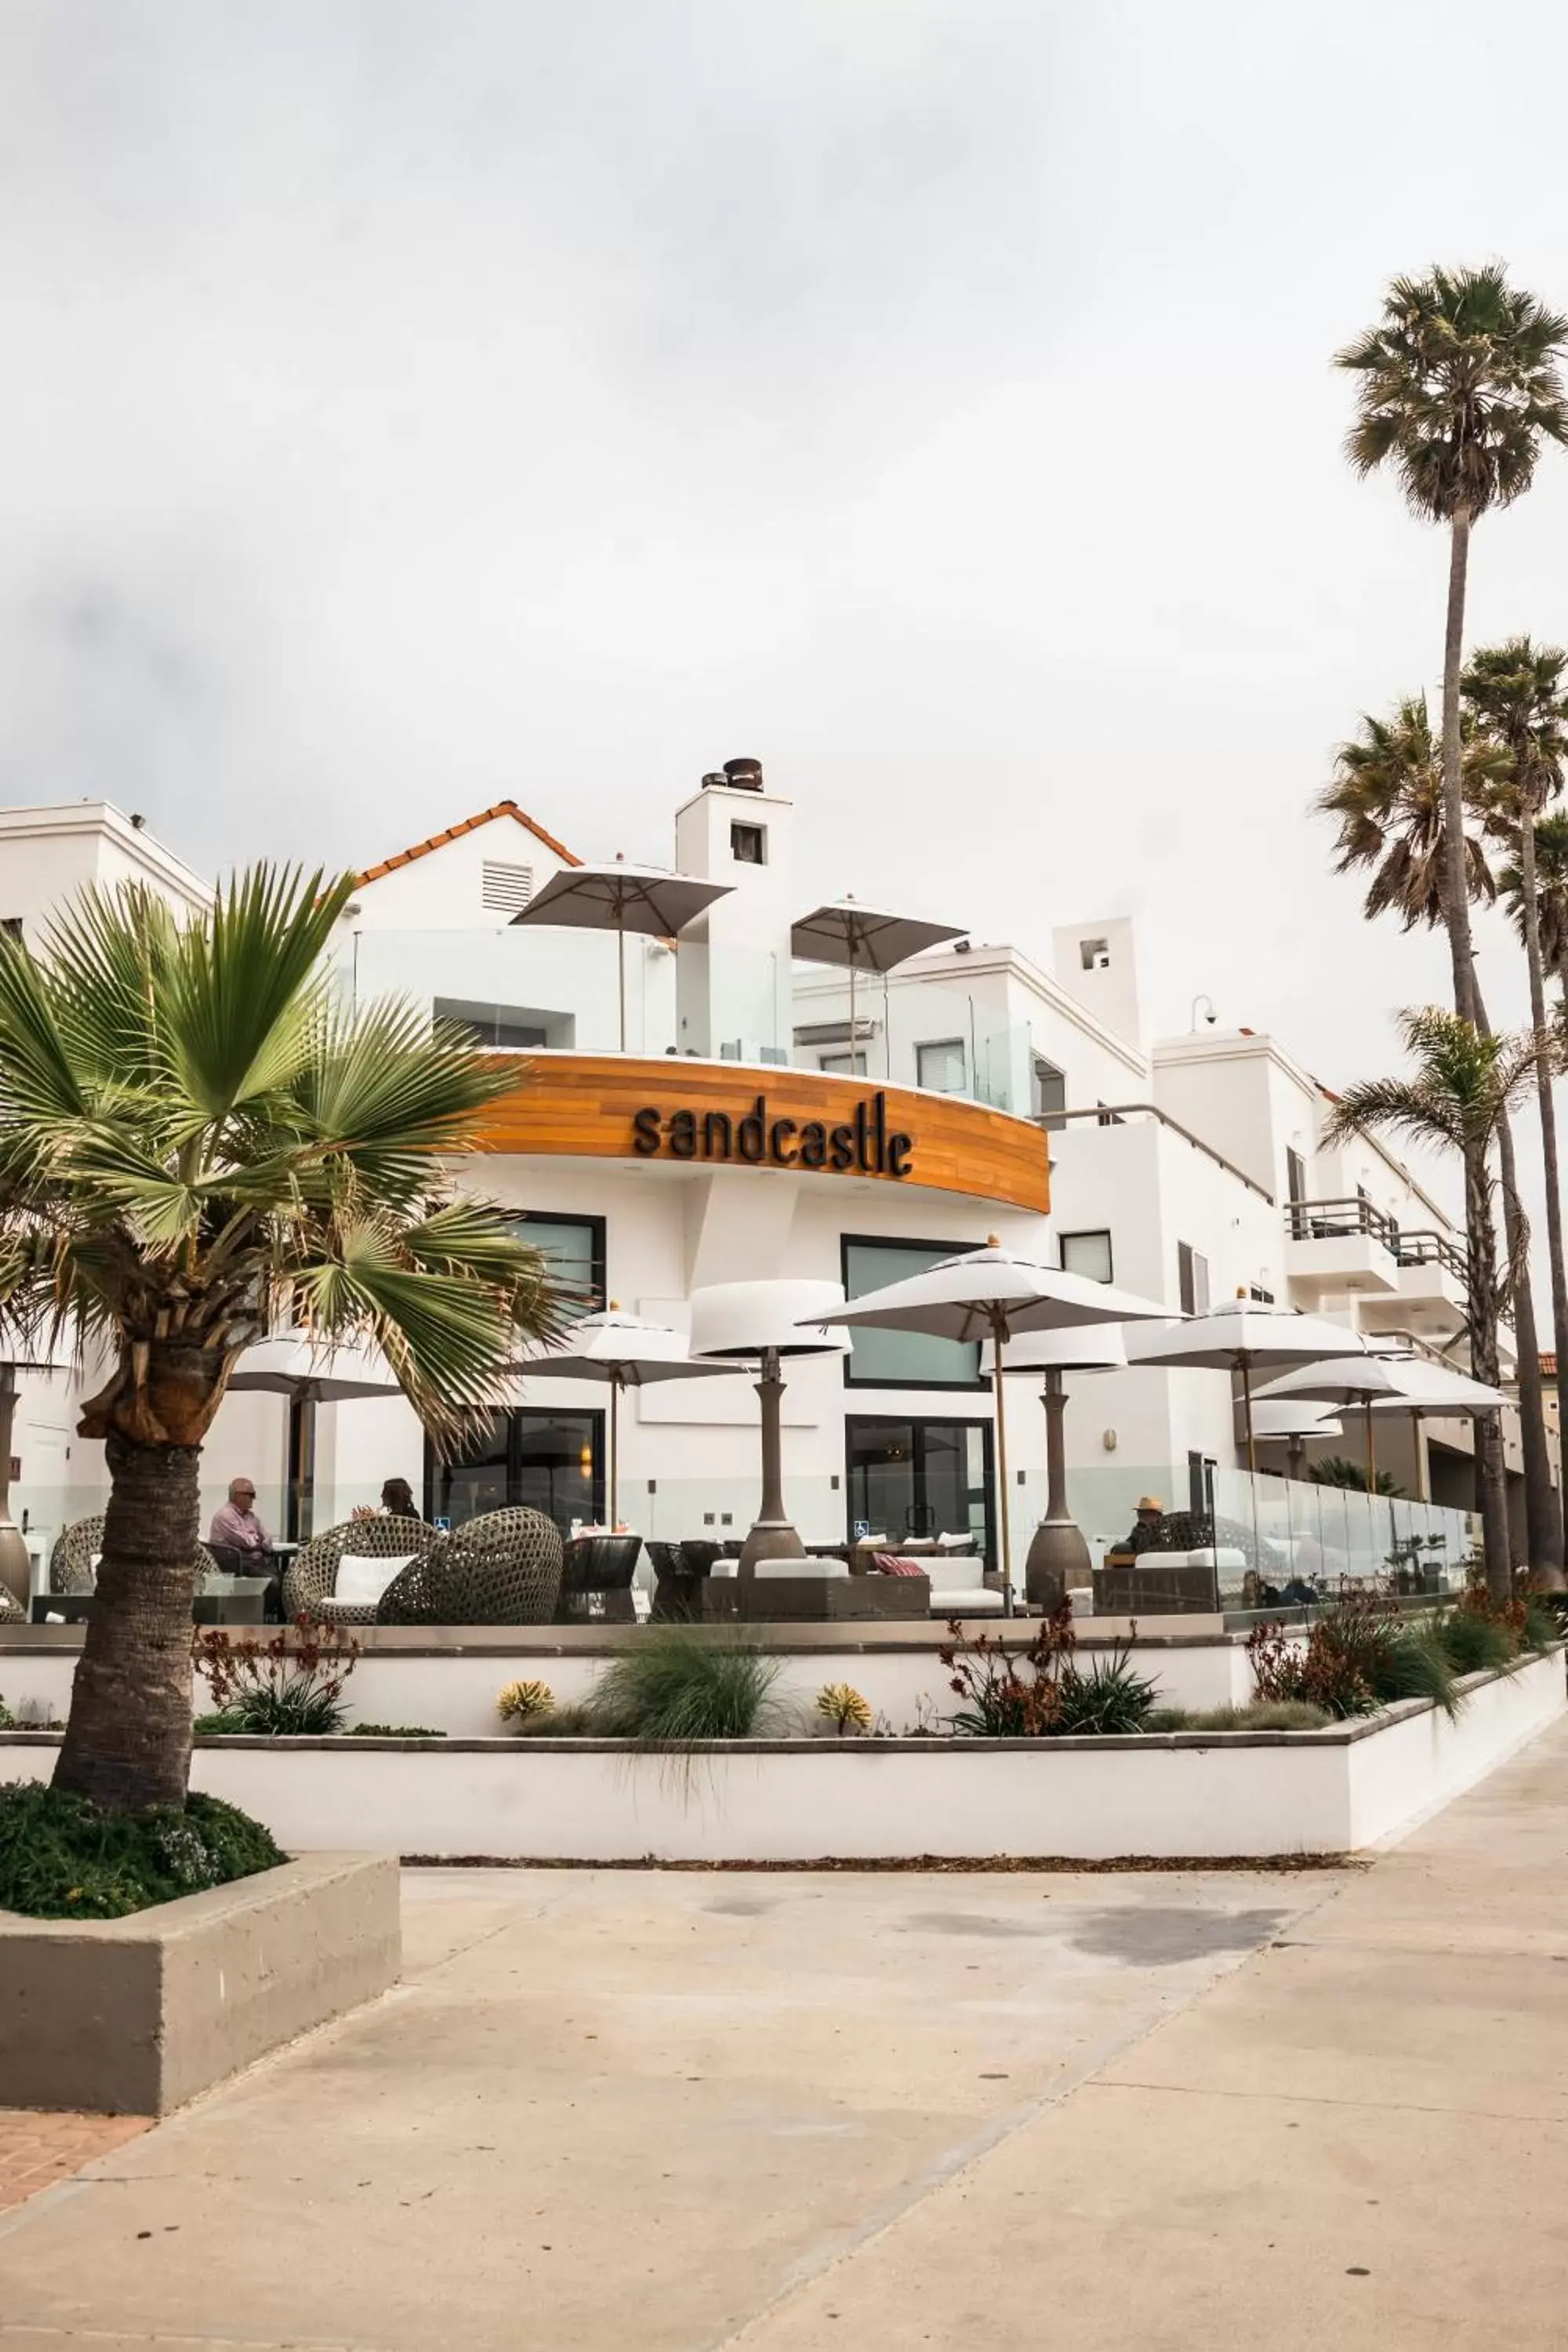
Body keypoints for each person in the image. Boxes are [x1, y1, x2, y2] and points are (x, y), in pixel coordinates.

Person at [209, 1478, 270, 1553]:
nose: (254, 1498)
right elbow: (247, 1543)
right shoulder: (225, 1515)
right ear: (238, 1496)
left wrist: (262, 1543)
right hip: (233, 1562)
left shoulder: (250, 1516)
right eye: (251, 1495)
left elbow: (267, 1539)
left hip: (250, 1560)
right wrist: (260, 1543)